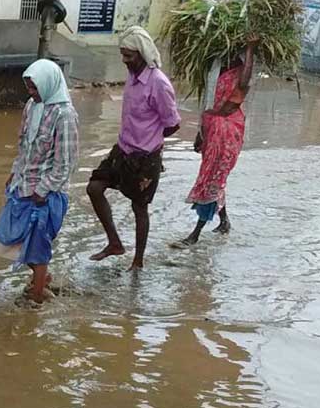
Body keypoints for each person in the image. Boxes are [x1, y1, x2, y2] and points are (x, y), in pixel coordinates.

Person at [87, 26, 181, 270]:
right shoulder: (132, 76)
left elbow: (173, 124)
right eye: (122, 54)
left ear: (142, 54)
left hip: (145, 157)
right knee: (94, 187)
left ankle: (138, 261)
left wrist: (150, 141)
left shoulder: (158, 83)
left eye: (129, 55)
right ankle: (115, 243)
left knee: (139, 207)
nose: (124, 60)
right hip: (123, 149)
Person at [0, 59, 79, 305]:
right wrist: (15, 171)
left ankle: (36, 297)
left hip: (47, 193)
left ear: (48, 84)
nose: (31, 94)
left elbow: (66, 163)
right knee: (9, 240)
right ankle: (42, 279)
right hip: (23, 184)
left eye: (35, 88)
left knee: (37, 248)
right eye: (29, 88)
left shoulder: (65, 115)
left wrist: (43, 190)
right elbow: (23, 144)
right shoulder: (32, 107)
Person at [175, 43, 255, 247]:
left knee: (212, 178)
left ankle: (195, 233)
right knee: (214, 175)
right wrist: (200, 133)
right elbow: (208, 103)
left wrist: (250, 50)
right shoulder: (215, 68)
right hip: (211, 128)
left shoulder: (241, 71)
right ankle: (225, 222)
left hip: (227, 131)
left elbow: (243, 85)